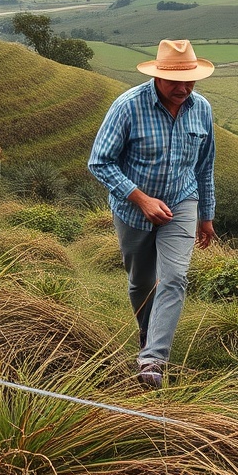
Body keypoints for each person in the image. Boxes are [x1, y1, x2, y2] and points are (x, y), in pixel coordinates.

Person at [88, 39, 217, 389]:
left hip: (182, 201)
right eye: (174, 81)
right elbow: (99, 162)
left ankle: (152, 361)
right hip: (133, 210)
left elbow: (204, 167)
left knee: (174, 277)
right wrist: (141, 199)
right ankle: (147, 331)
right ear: (157, 76)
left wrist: (206, 214)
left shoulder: (201, 109)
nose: (183, 88)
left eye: (189, 80)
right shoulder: (127, 106)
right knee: (140, 282)